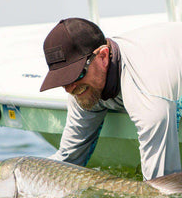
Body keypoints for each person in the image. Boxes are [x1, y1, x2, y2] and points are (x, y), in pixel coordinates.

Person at [40, 18, 182, 180]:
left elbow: (161, 184)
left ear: (103, 56)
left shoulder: (148, 91)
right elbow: (68, 160)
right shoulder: (81, 87)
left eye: (76, 74)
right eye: (63, 80)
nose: (70, 88)